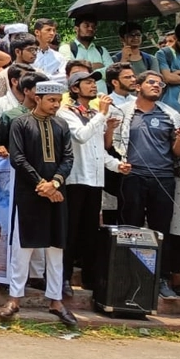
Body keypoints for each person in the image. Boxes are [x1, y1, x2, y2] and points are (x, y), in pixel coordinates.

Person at [0, 81, 78, 328]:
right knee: (23, 249)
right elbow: (18, 158)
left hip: (56, 193)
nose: (56, 105)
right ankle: (14, 299)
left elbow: (68, 157)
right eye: (52, 100)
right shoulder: (20, 124)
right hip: (29, 193)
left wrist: (54, 184)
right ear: (38, 98)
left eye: (59, 100)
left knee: (56, 248)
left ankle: (56, 301)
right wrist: (41, 184)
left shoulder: (62, 124)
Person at [109, 71, 180, 298]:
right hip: (132, 177)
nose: (157, 86)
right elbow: (110, 146)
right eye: (151, 82)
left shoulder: (170, 115)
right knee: (130, 227)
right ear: (138, 86)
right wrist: (110, 130)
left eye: (160, 83)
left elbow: (176, 153)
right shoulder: (124, 112)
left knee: (161, 230)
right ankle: (127, 277)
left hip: (163, 178)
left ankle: (160, 279)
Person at [59, 70, 126, 294]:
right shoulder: (67, 112)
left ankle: (90, 278)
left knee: (90, 231)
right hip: (76, 178)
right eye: (87, 82)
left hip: (95, 179)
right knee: (70, 231)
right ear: (75, 88)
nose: (93, 86)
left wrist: (117, 166)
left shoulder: (95, 112)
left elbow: (99, 149)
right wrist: (102, 116)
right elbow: (81, 135)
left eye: (94, 82)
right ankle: (63, 278)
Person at [0, 34, 39, 99]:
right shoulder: (3, 75)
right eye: (31, 49)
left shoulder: (39, 73)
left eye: (36, 49)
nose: (35, 53)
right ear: (18, 51)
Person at [155, 22, 180, 113]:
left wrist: (178, 72)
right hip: (172, 106)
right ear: (176, 38)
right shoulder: (163, 53)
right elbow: (168, 78)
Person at [31, 18, 66, 83]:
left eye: (54, 30)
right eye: (48, 30)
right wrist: (54, 77)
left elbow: (64, 77)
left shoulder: (59, 57)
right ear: (37, 32)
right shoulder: (29, 55)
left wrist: (44, 77)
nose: (52, 33)